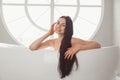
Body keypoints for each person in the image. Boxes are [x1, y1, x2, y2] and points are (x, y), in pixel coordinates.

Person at [29, 16, 101, 78]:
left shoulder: (73, 40)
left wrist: (78, 47)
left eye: (63, 25)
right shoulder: (52, 42)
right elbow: (32, 48)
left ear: (68, 28)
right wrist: (48, 33)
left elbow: (97, 45)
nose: (59, 26)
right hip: (56, 73)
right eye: (58, 23)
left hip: (74, 74)